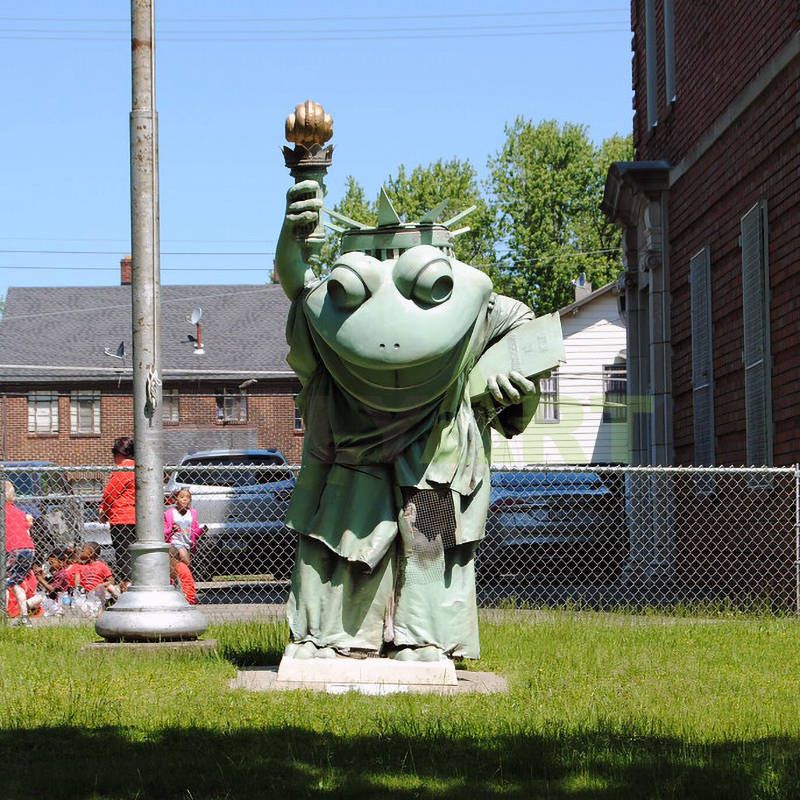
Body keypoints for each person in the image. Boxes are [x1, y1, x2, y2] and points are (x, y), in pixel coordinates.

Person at [100, 436, 136, 583]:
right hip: (137, 518)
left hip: (122, 519)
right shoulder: (138, 467)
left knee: (124, 555)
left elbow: (110, 494)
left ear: (117, 453)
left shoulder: (123, 469)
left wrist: (104, 511)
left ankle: (127, 585)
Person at [4, 480, 37, 627]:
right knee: (16, 582)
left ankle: (4, 616)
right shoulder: (19, 512)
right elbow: (27, 526)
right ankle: (24, 617)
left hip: (13, 550)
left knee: (4, 583)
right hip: (29, 549)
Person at [163, 489, 205, 565]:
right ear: (176, 499)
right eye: (182, 497)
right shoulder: (169, 513)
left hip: (188, 543)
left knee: (179, 565)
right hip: (175, 542)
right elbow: (164, 532)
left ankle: (180, 576)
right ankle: (185, 575)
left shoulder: (192, 512)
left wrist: (202, 530)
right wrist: (172, 530)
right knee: (186, 562)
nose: (185, 499)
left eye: (188, 497)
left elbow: (194, 532)